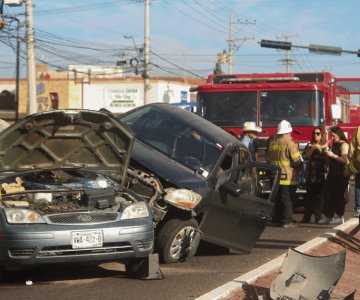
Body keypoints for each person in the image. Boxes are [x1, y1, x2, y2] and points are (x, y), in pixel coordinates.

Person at [266, 120, 303, 228]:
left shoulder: (272, 141)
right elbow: (296, 160)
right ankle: (287, 220)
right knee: (287, 199)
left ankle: (276, 219)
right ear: (289, 131)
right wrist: (301, 166)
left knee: (277, 198)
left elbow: (268, 159)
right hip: (288, 175)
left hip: (275, 175)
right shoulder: (289, 142)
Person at [319, 126, 350, 225]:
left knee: (339, 195)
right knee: (328, 194)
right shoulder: (333, 145)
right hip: (332, 173)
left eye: (333, 136)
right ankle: (329, 216)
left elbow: (344, 160)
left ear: (339, 135)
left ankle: (339, 216)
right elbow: (329, 161)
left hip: (341, 173)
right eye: (331, 136)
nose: (332, 138)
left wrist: (333, 155)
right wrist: (326, 154)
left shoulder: (343, 145)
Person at [301, 127, 329, 223]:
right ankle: (306, 218)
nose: (315, 135)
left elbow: (328, 159)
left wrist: (321, 149)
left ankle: (318, 217)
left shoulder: (325, 146)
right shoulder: (309, 145)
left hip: (320, 175)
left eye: (317, 133)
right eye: (314, 133)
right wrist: (312, 148)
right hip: (310, 175)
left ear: (321, 135)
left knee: (319, 198)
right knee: (309, 197)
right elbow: (304, 157)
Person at [344, 126, 360, 218]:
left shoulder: (359, 130)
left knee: (358, 185)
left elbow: (352, 149)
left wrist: (350, 166)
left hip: (358, 164)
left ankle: (358, 208)